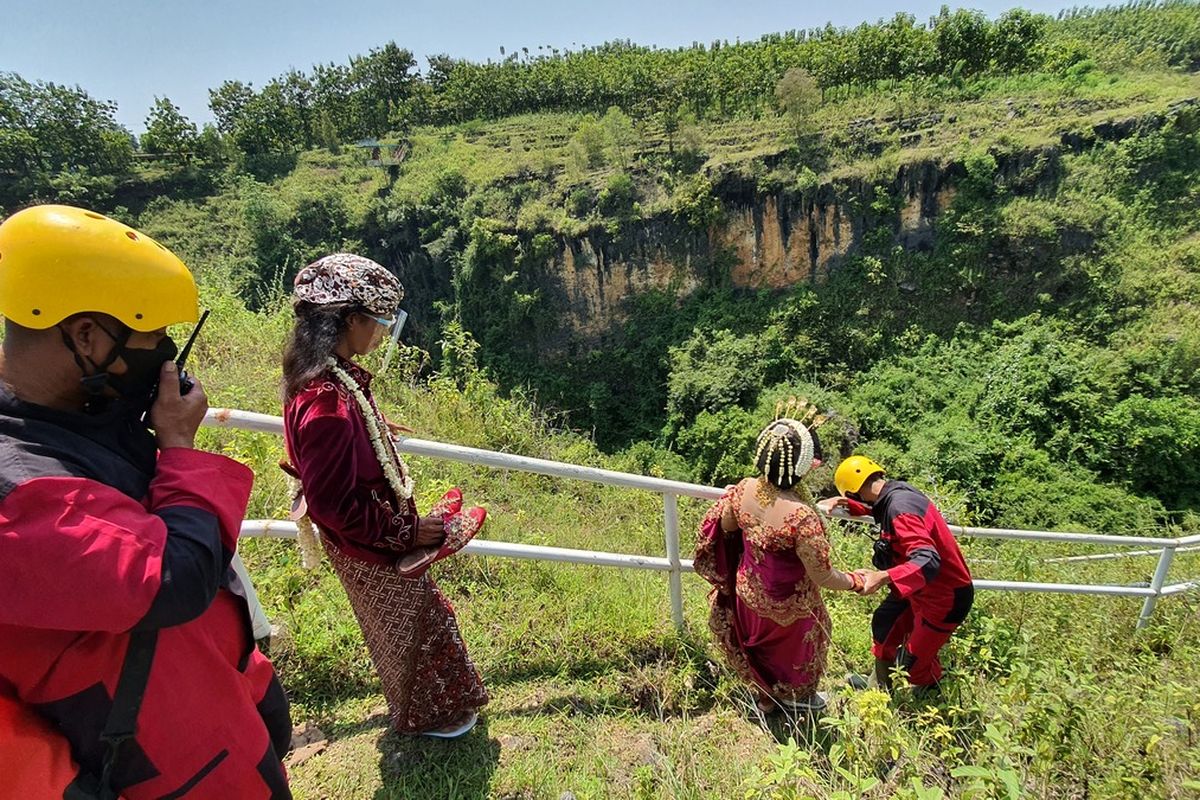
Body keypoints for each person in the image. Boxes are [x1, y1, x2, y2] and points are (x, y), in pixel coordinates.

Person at [0, 205, 291, 798]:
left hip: (209, 711)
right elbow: (172, 577)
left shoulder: (69, 415)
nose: (164, 353)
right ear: (85, 335)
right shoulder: (18, 494)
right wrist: (179, 445)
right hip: (163, 766)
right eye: (152, 334)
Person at [281, 253, 487, 738]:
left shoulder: (324, 380)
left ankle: (428, 711)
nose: (382, 331)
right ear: (350, 320)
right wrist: (412, 530)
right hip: (368, 544)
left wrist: (373, 428)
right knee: (414, 626)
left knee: (403, 625)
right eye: (379, 320)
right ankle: (433, 717)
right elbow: (334, 504)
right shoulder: (327, 404)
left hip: (365, 539)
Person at [694, 415, 864, 713]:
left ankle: (764, 697)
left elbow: (728, 526)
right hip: (790, 609)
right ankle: (796, 700)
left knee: (760, 652)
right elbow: (823, 576)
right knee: (796, 655)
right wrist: (856, 580)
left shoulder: (745, 489)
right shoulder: (801, 517)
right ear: (802, 467)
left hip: (748, 594)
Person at [817, 455, 974, 694]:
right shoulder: (897, 494)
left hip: (945, 598)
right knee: (885, 623)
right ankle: (878, 687)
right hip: (920, 588)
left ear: (854, 492)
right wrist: (848, 505)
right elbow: (880, 510)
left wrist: (882, 577)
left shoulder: (900, 509)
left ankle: (933, 697)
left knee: (912, 666)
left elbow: (928, 560)